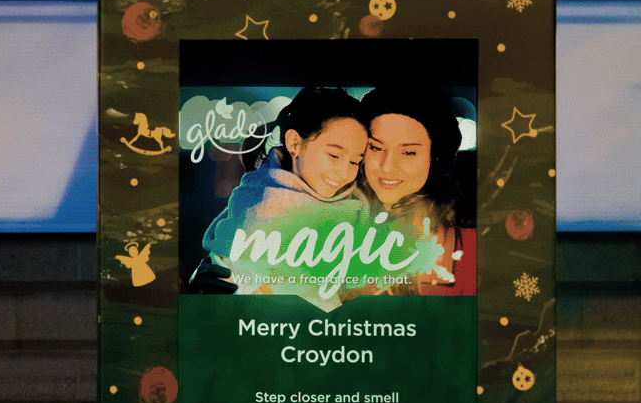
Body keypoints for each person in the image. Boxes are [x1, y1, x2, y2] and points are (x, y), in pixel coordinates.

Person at [194, 88, 370, 298]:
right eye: (334, 155)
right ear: (294, 143)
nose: (344, 173)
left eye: (355, 162)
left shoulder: (359, 204)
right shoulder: (258, 202)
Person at [353, 85, 474, 296]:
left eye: (408, 152)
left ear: (434, 157)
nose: (387, 166)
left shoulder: (469, 243)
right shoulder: (329, 220)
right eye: (376, 147)